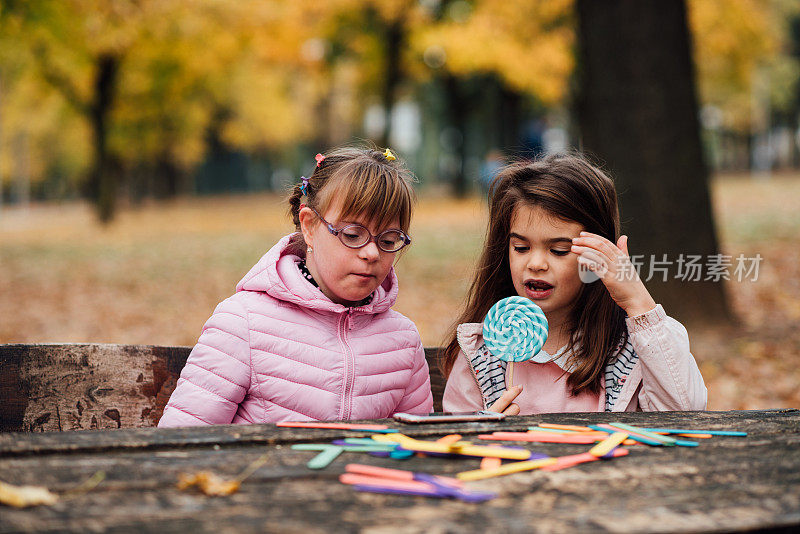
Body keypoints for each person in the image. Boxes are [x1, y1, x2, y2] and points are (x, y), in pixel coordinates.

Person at [159, 147, 433, 427]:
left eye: (388, 241)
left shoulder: (403, 341)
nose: (372, 253)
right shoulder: (245, 324)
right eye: (353, 235)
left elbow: (420, 444)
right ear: (309, 226)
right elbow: (180, 440)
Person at [442, 153, 707, 414]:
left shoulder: (635, 347)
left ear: (597, 254)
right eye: (521, 247)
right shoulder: (482, 356)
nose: (535, 264)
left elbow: (684, 413)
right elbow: (457, 441)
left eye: (558, 250)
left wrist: (638, 301)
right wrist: (481, 431)